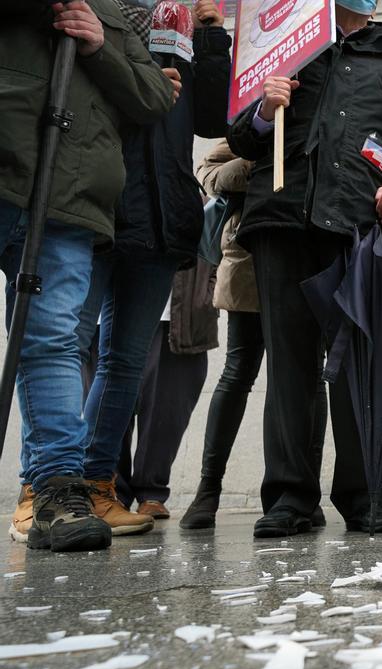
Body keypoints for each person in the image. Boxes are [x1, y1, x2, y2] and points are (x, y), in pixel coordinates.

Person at [227, 0, 382, 538]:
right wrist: (261, 109)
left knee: (359, 370)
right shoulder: (283, 52)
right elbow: (239, 138)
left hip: (360, 229)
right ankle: (290, 499)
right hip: (284, 221)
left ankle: (364, 495)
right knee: (289, 368)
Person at [2, 0, 174, 551]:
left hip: (70, 187)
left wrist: (101, 44)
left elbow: (154, 96)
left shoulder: (110, 12)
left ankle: (56, 491)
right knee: (63, 340)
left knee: (53, 337)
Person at [73, 0, 229, 538]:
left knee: (123, 361)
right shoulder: (95, 15)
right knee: (68, 351)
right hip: (95, 207)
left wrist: (210, 35)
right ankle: (56, 485)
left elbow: (212, 117)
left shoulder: (177, 25)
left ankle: (98, 488)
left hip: (161, 214)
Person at [179, 140, 331, 531]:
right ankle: (207, 490)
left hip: (306, 257)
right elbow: (209, 174)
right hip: (249, 263)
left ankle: (303, 492)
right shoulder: (256, 120)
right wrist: (257, 163)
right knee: (238, 372)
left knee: (309, 378)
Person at [116, 262, 218, 519]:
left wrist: (210, 281)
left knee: (169, 406)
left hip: (181, 301)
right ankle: (108, 488)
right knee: (107, 401)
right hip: (111, 298)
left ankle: (152, 489)